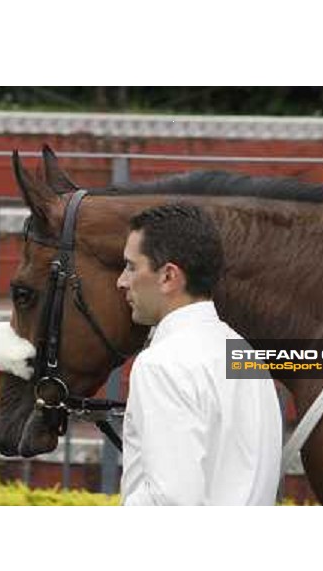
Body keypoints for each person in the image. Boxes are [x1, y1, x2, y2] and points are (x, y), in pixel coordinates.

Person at [116, 202, 282, 506]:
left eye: (131, 266)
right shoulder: (243, 353)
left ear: (168, 277)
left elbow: (172, 501)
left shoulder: (160, 365)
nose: (122, 281)